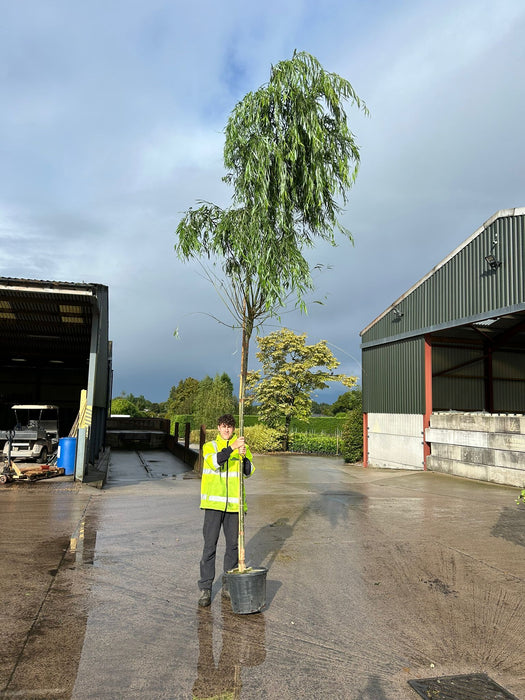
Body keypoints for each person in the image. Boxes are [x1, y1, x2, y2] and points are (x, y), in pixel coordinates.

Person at [198, 413, 254, 607]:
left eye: (229, 426)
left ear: (233, 428)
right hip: (213, 506)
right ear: (218, 427)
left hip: (234, 506)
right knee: (209, 547)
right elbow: (214, 462)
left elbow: (248, 471)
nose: (226, 429)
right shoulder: (209, 447)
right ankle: (205, 588)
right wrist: (232, 448)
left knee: (232, 547)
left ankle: (228, 584)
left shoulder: (241, 446)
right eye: (223, 426)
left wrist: (244, 456)